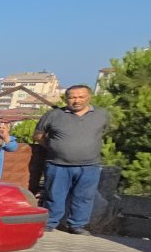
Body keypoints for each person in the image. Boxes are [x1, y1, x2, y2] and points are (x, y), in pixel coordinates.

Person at [33, 85, 110, 235]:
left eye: (81, 97)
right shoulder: (54, 115)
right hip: (57, 164)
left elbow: (103, 132)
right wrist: (54, 147)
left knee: (84, 197)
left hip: (89, 165)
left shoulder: (102, 115)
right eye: (72, 97)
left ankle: (77, 225)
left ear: (89, 97)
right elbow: (38, 135)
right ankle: (50, 223)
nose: (76, 101)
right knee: (54, 195)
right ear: (66, 98)